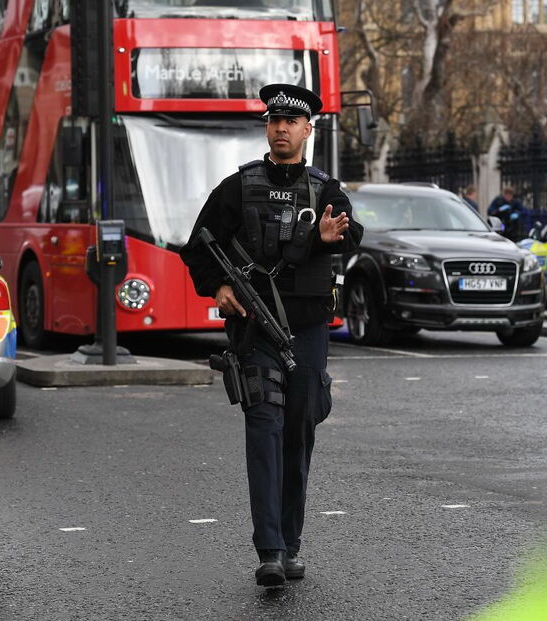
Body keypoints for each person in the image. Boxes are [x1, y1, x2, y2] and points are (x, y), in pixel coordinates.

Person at [180, 84, 363, 587]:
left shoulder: (325, 189)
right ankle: (270, 550)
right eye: (273, 121)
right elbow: (196, 246)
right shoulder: (239, 187)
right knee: (265, 429)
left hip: (306, 330)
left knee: (299, 430)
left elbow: (352, 233)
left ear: (308, 130)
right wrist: (217, 286)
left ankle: (292, 540)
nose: (281, 129)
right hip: (255, 331)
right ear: (267, 127)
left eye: (291, 122)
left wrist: (331, 235)